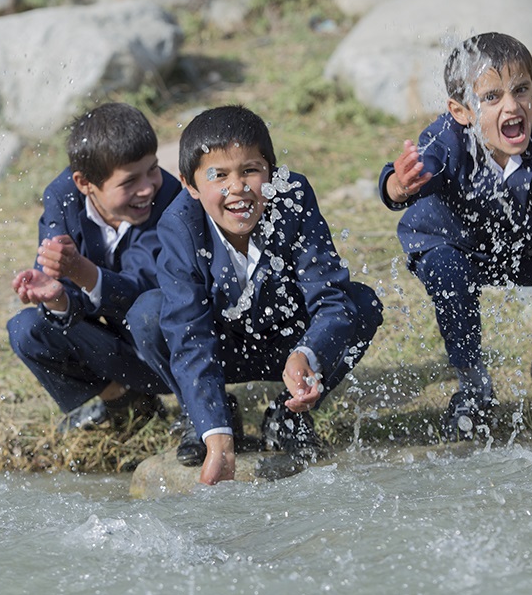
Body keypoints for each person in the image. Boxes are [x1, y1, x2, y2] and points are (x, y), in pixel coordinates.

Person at [378, 32, 532, 441]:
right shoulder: (446, 138)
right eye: (491, 97)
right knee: (447, 271)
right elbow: (398, 185)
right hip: (452, 248)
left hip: (523, 245)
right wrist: (399, 185)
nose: (512, 106)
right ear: (461, 111)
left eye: (521, 90)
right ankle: (474, 386)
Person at [127, 105, 383, 485]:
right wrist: (218, 441)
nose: (237, 187)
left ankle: (288, 414)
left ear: (272, 173)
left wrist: (307, 353)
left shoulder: (293, 198)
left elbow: (329, 296)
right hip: (220, 349)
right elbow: (188, 332)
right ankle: (208, 418)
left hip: (288, 346)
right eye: (218, 175)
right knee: (147, 315)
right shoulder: (180, 224)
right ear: (190, 185)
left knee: (361, 304)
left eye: (250, 170)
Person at [7, 102, 181, 434]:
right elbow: (64, 291)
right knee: (27, 329)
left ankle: (199, 405)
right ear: (84, 183)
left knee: (150, 309)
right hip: (120, 353)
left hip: (172, 350)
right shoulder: (63, 199)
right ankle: (123, 399)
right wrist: (56, 297)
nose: (147, 187)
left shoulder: (168, 197)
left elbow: (144, 288)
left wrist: (81, 271)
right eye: (130, 181)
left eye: (153, 169)